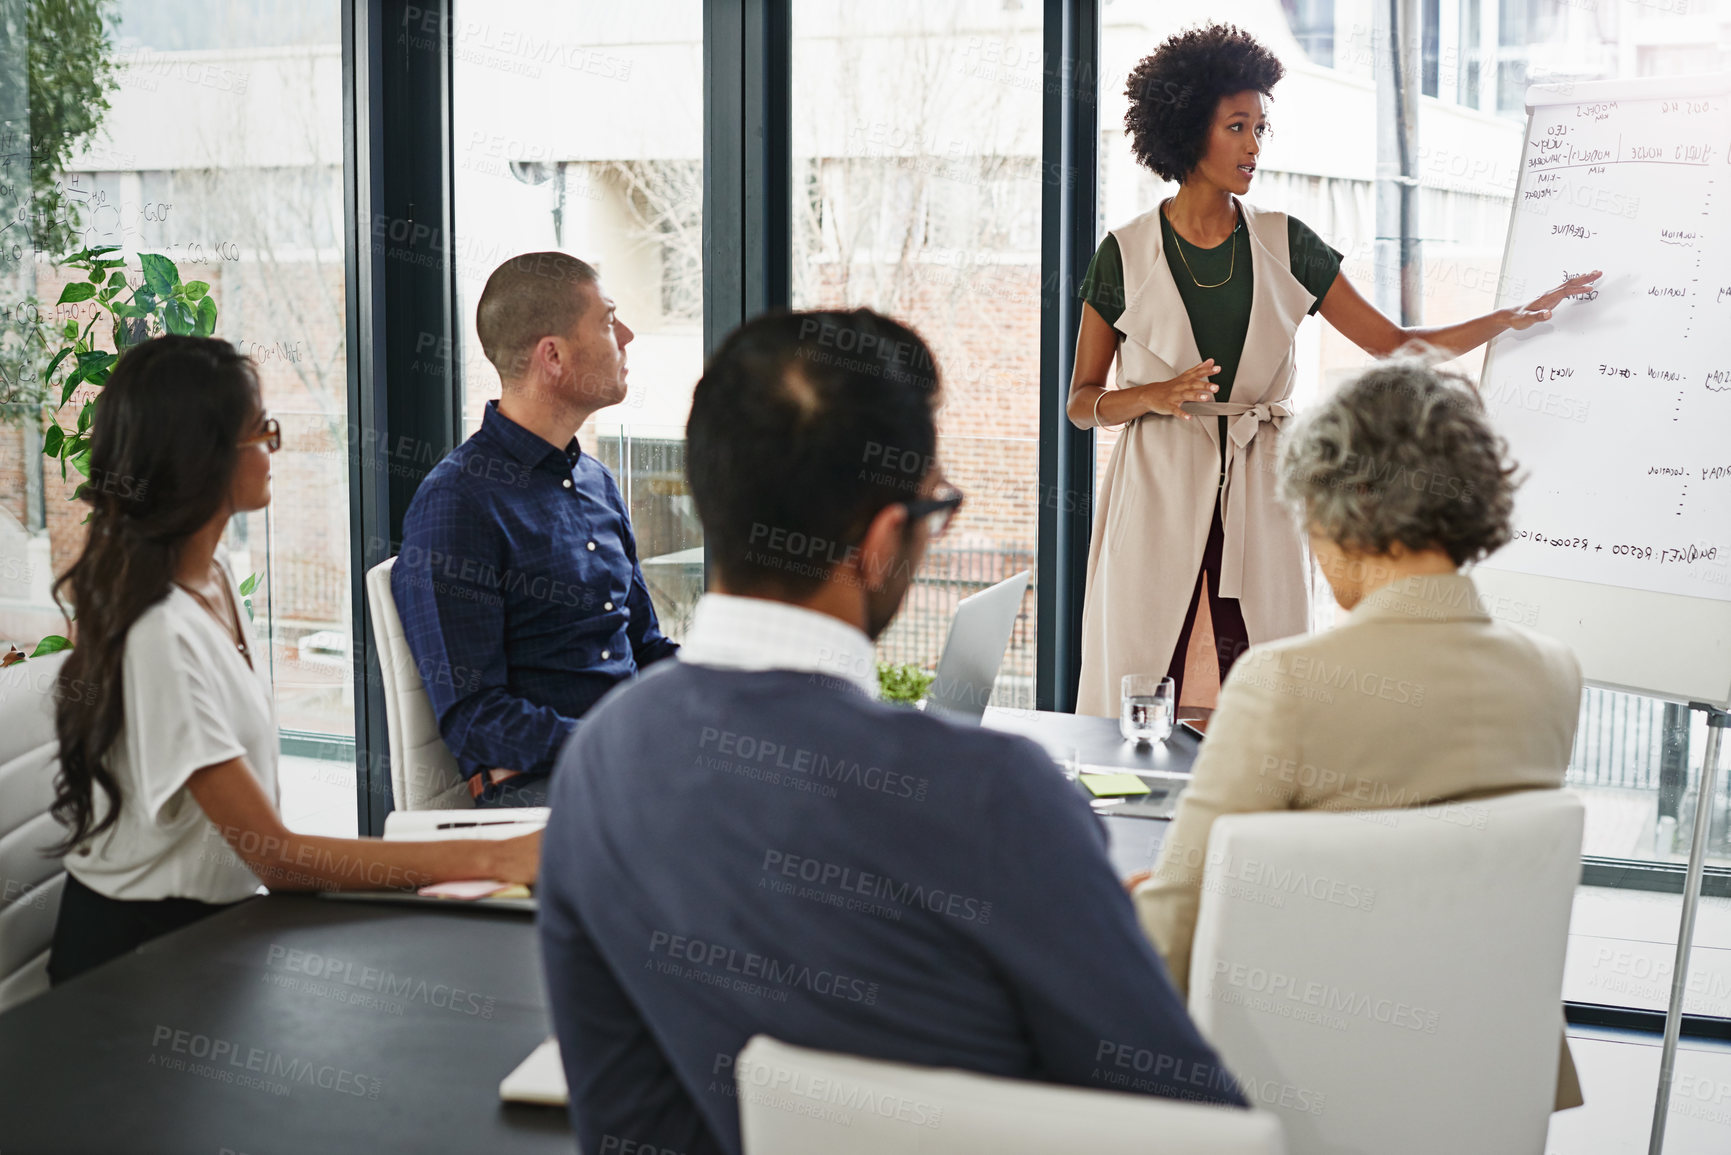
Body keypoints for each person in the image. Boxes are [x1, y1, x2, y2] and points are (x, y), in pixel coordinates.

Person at [538, 310, 1246, 1155]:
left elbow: (620, 1114)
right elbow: (1199, 1129)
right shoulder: (993, 796)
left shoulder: (601, 759)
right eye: (932, 509)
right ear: (880, 541)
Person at [1068, 22, 1601, 713]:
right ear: (1185, 129)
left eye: (1260, 127)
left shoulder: (1285, 242)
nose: (1254, 145)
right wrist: (1150, 395)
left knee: (1259, 684)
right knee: (1137, 675)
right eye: (1236, 126)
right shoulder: (1123, 254)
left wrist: (1504, 317)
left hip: (1260, 486)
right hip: (1155, 491)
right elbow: (1081, 402)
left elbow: (1395, 343)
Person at [1127, 355, 1583, 1109]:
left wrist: (1108, 911)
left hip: (1296, 1079)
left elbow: (1173, 930)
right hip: (1485, 1082)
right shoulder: (1551, 675)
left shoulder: (1285, 683)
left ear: (1347, 502)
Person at [46, 336, 539, 985]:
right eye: (262, 431)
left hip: (213, 930)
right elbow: (274, 857)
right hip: (136, 966)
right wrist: (495, 858)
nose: (275, 446)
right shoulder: (159, 635)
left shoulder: (213, 577)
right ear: (206, 458)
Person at [393, 252, 678, 807]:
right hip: (547, 790)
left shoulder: (595, 480)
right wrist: (622, 746)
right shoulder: (457, 503)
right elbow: (475, 719)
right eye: (606, 321)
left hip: (627, 767)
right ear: (553, 355)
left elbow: (643, 645)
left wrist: (731, 689)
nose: (627, 334)